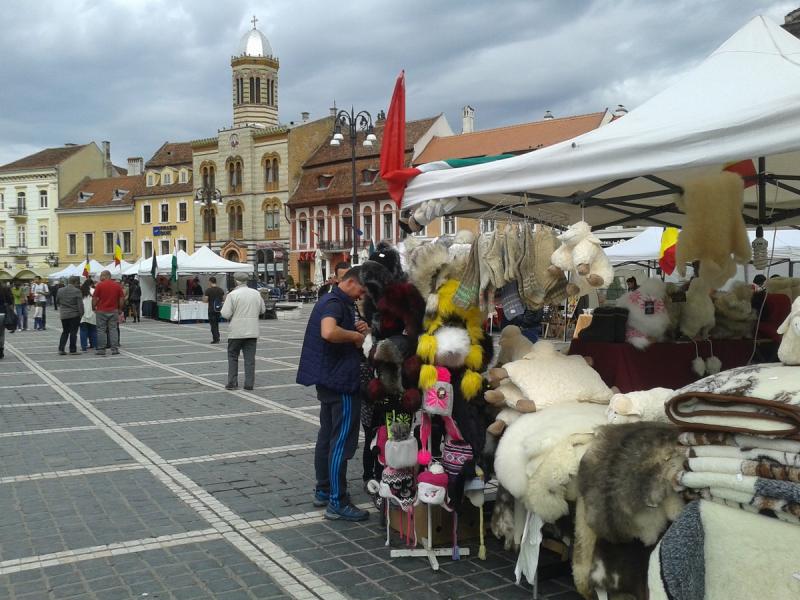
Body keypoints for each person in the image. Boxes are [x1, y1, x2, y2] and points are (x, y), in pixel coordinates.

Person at [297, 267, 370, 521]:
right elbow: (328, 331)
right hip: (341, 381)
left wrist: (359, 327)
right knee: (341, 441)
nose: (363, 294)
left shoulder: (337, 301)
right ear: (350, 282)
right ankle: (337, 502)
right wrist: (355, 337)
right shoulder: (336, 302)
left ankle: (324, 489)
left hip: (327, 379)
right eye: (362, 288)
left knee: (327, 436)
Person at [220, 271, 265, 389]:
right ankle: (249, 384)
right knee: (250, 359)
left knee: (233, 356)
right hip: (252, 330)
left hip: (236, 331)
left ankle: (232, 383)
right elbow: (262, 311)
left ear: (236, 281)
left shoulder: (233, 295)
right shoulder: (256, 293)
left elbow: (225, 313)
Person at [92, 270, 125, 356]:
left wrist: (93, 307)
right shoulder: (117, 286)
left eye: (101, 276)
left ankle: (101, 350)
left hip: (101, 311)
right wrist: (120, 309)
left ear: (106, 276)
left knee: (101, 330)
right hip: (113, 310)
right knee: (113, 329)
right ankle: (114, 349)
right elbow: (121, 299)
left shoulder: (99, 285)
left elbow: (95, 298)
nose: (100, 278)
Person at [56, 276, 84, 355]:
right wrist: (82, 314)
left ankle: (61, 349)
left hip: (64, 314)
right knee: (73, 332)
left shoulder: (60, 290)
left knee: (65, 332)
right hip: (74, 315)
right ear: (75, 282)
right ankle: (72, 350)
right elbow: (80, 305)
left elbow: (57, 301)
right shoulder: (77, 291)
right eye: (78, 283)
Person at [204, 276, 225, 344]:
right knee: (216, 324)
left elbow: (206, 300)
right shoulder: (220, 290)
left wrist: (204, 299)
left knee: (213, 324)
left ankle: (216, 339)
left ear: (210, 282)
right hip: (218, 309)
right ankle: (217, 337)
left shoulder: (208, 290)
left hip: (211, 309)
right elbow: (223, 299)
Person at [79, 280, 97, 352]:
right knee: (93, 330)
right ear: (91, 284)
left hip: (83, 314)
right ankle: (95, 345)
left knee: (83, 331)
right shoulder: (94, 291)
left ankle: (84, 347)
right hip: (93, 313)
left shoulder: (80, 292)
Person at [0, 283, 12, 358]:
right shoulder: (4, 289)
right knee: (1, 334)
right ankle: (1, 351)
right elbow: (10, 302)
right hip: (2, 314)